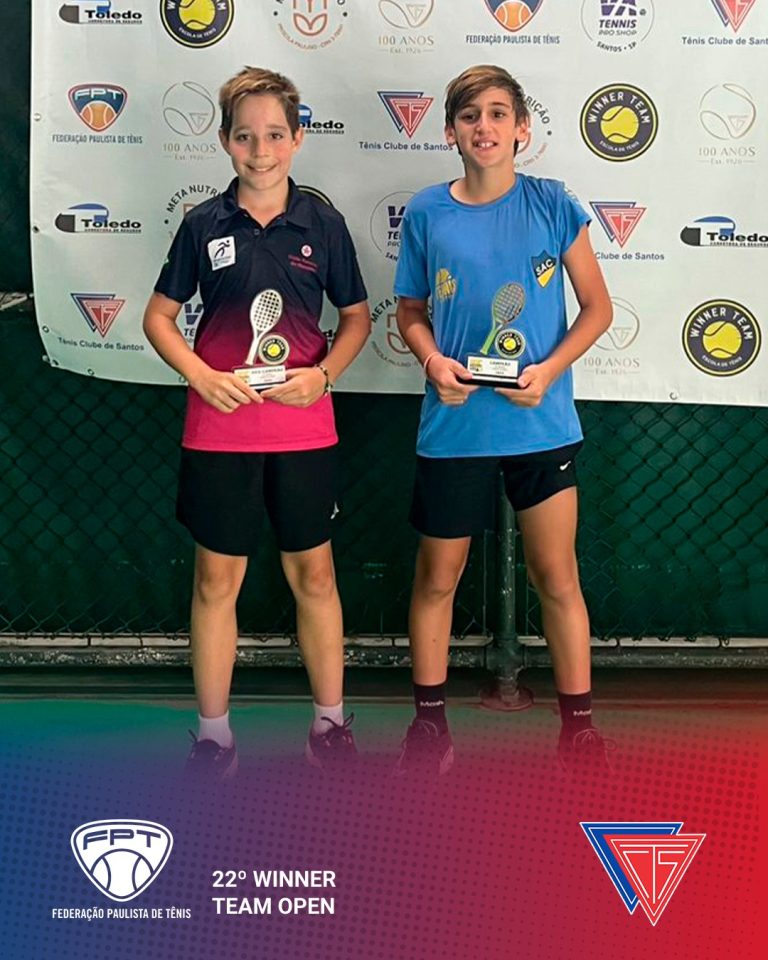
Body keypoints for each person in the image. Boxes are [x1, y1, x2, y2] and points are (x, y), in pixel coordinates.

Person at [143, 67, 371, 780]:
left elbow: (357, 319)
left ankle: (329, 725)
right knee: (216, 583)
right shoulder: (202, 224)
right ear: (224, 141)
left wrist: (324, 375)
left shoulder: (323, 225)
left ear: (298, 139)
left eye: (275, 135)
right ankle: (214, 736)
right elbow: (159, 317)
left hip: (304, 432)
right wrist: (201, 374)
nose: (261, 150)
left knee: (316, 576)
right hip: (220, 434)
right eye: (246, 137)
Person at [393, 64, 613, 777]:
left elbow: (598, 309)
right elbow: (411, 311)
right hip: (454, 428)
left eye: (496, 114)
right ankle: (430, 726)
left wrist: (547, 372)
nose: (482, 127)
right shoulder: (427, 211)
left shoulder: (552, 204)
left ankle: (578, 730)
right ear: (449, 130)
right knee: (437, 579)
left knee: (557, 577)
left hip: (539, 427)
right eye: (469, 115)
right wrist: (433, 362)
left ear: (521, 128)